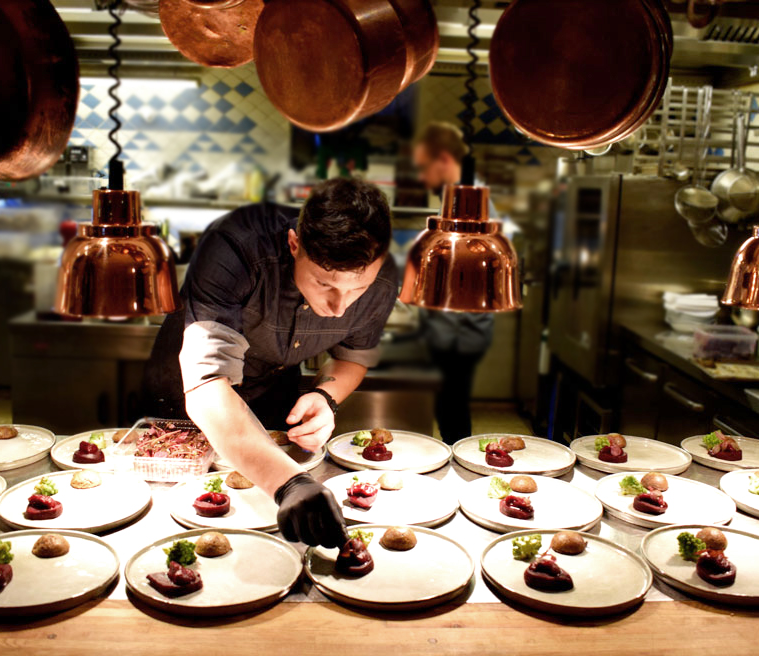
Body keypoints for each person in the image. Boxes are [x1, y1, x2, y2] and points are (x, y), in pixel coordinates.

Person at [142, 178, 397, 547]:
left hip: (274, 390)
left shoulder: (385, 276)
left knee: (261, 525)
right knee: (178, 521)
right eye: (325, 284)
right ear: (295, 244)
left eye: (357, 290)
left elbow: (353, 357)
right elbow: (206, 383)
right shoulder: (234, 245)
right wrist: (289, 483)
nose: (340, 307)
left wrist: (327, 397)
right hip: (186, 399)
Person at [412, 122, 495, 445]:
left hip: (460, 331)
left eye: (424, 166)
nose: (422, 176)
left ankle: (458, 466)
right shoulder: (454, 201)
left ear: (444, 160)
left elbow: (465, 279)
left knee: (452, 409)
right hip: (454, 328)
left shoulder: (472, 203)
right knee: (449, 406)